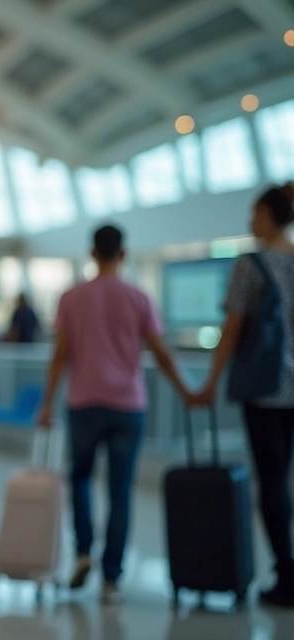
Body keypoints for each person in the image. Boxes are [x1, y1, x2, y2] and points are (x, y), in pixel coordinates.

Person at [37, 225, 190, 605]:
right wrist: (188, 391)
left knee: (81, 479)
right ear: (123, 255)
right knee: (120, 491)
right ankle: (111, 578)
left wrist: (46, 403)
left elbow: (60, 355)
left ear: (93, 254)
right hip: (128, 407)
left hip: (84, 403)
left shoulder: (71, 298)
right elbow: (161, 351)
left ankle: (84, 551)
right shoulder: (138, 298)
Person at [191, 183, 294, 608]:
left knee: (273, 481)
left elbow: (232, 330)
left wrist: (211, 382)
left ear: (268, 216)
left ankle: (286, 574)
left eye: (254, 214)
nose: (250, 222)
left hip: (267, 390)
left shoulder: (250, 265)